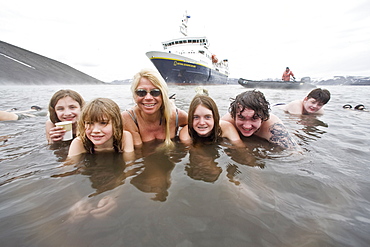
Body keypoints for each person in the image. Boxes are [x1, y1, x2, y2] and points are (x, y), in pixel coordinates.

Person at [122, 68, 188, 148]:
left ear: (163, 95)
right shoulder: (128, 118)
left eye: (155, 92)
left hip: (168, 108)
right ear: (135, 96)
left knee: (170, 107)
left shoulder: (177, 115)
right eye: (141, 92)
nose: (148, 97)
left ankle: (170, 102)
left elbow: (195, 124)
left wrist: (184, 135)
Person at [222, 90, 298, 150]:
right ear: (233, 116)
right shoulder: (227, 122)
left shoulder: (273, 128)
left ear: (264, 118)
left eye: (254, 118)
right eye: (241, 118)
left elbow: (295, 153)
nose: (247, 126)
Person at [68, 98, 134, 159]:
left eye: (103, 123)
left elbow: (129, 164)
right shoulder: (79, 143)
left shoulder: (124, 137)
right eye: (89, 123)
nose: (95, 130)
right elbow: (69, 168)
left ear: (116, 124)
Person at [179, 94, 243, 146]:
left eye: (207, 117)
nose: (202, 123)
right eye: (196, 117)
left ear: (215, 118)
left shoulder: (227, 128)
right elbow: (194, 152)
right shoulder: (186, 133)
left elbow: (241, 148)